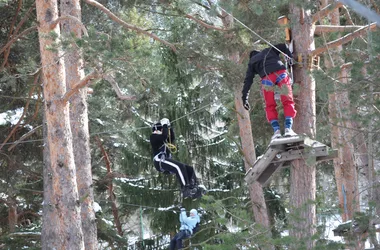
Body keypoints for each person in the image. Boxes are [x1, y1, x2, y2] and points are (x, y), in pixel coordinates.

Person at [242, 43, 297, 141]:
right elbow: (283, 46)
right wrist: (290, 58)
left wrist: (245, 97)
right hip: (281, 74)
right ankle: (288, 128)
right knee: (287, 100)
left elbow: (248, 80)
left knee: (270, 105)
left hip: (267, 79)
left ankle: (276, 131)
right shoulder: (269, 50)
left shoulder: (252, 62)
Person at [150, 118, 203, 199]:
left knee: (188, 168)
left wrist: (169, 127)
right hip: (159, 160)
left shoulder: (163, 140)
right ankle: (185, 188)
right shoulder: (153, 137)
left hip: (164, 160)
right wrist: (164, 125)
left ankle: (194, 187)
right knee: (179, 167)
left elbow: (172, 137)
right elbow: (164, 137)